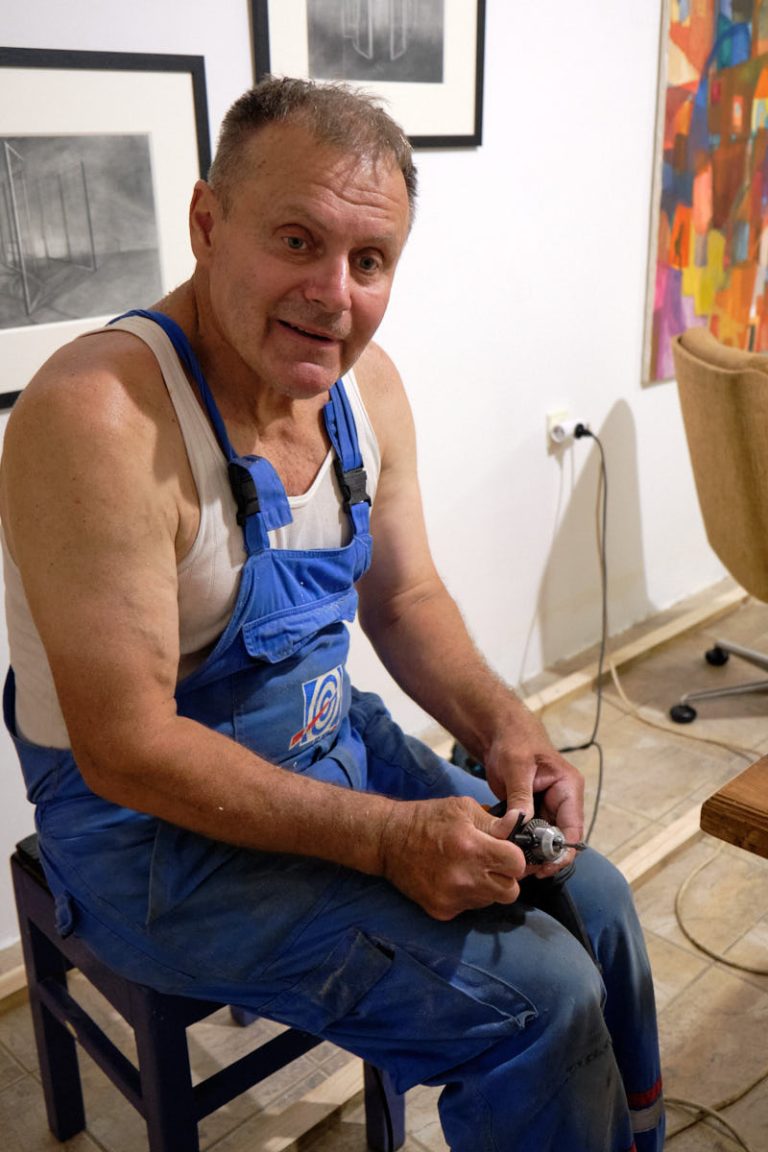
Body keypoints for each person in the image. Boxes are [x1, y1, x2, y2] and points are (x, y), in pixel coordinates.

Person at [0, 77, 664, 1151]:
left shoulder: (366, 390)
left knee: (599, 902)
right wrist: (388, 838)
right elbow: (124, 748)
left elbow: (403, 599)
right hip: (147, 838)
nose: (334, 294)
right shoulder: (99, 419)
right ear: (209, 225)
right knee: (540, 998)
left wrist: (505, 724)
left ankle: (634, 1136)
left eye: (370, 262)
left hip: (326, 741)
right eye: (298, 241)